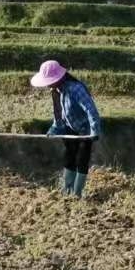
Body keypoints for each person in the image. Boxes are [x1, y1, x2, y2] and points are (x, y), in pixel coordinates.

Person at [31, 59, 103, 197]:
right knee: (69, 157)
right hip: (70, 128)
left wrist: (94, 130)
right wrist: (54, 129)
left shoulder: (76, 89)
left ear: (58, 78)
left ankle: (77, 193)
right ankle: (67, 190)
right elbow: (59, 115)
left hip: (85, 130)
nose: (47, 85)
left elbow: (90, 109)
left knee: (81, 159)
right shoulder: (56, 91)